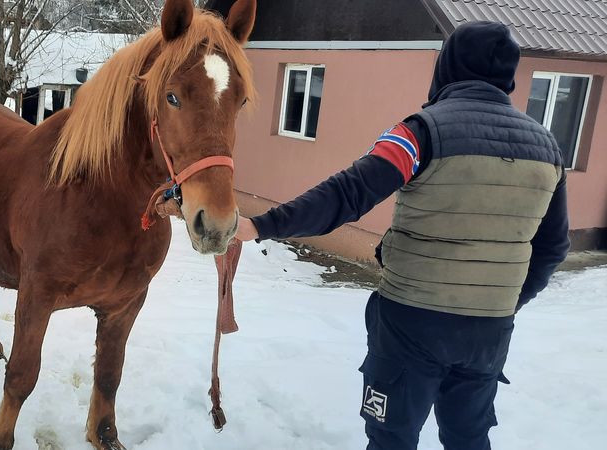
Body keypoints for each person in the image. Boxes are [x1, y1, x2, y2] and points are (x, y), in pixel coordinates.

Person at [235, 21, 570, 450]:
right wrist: (506, 300)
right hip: (490, 332)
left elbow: (348, 193)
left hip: (413, 323)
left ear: (448, 66)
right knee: (468, 438)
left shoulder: (422, 131)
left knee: (391, 436)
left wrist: (263, 224)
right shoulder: (548, 148)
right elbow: (553, 246)